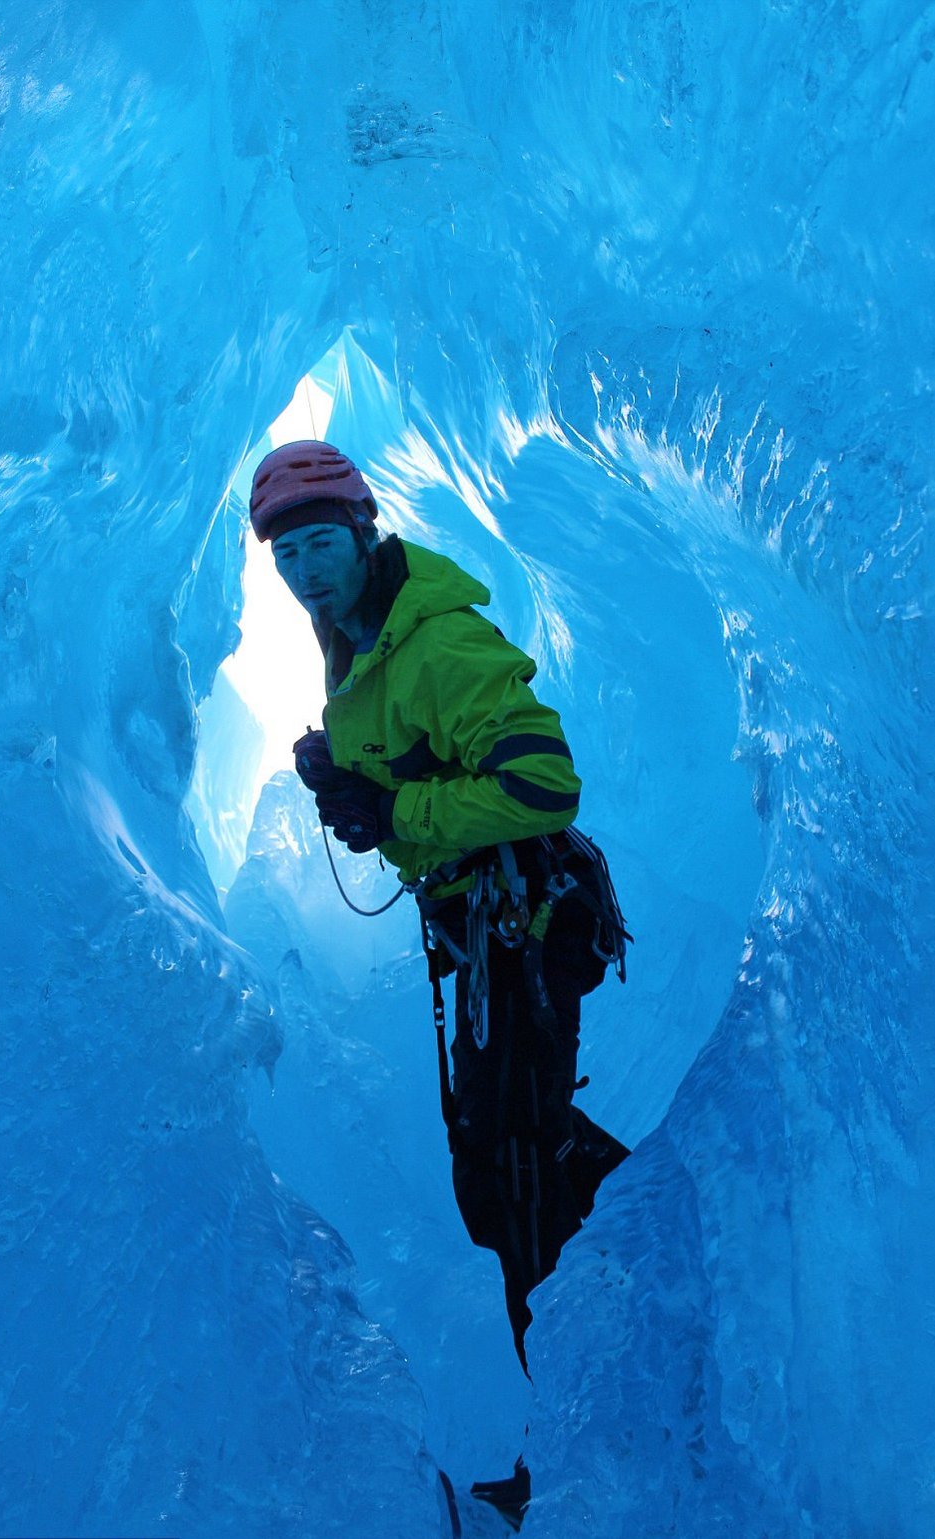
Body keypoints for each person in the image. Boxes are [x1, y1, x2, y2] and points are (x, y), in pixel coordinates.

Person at [249, 439, 630, 1386]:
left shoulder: (438, 641)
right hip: (482, 931)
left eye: (320, 547)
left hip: (527, 921)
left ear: (363, 532)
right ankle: (633, 1264)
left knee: (518, 1169)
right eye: (286, 556)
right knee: (494, 1163)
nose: (304, 573)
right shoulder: (352, 635)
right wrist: (349, 773)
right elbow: (420, 759)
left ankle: (583, 1403)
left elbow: (543, 783)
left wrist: (393, 810)